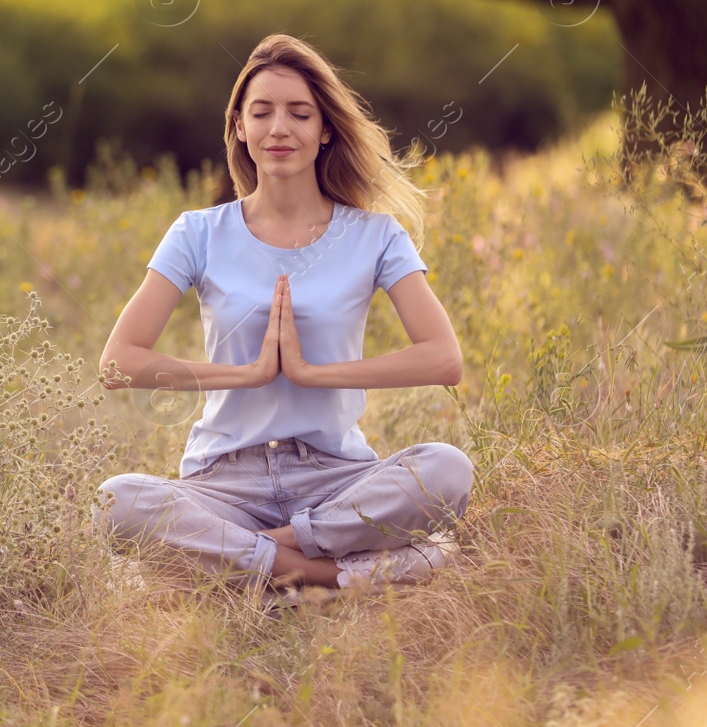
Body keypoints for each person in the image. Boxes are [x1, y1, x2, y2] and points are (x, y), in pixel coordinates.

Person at [91, 33, 475, 596]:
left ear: (325, 130)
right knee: (114, 502)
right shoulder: (198, 232)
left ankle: (253, 559)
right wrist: (246, 375)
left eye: (300, 113)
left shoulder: (375, 236)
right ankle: (334, 576)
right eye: (262, 112)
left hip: (334, 477)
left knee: (447, 470)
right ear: (239, 127)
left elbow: (444, 359)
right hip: (223, 482)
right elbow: (117, 364)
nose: (279, 129)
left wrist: (312, 374)